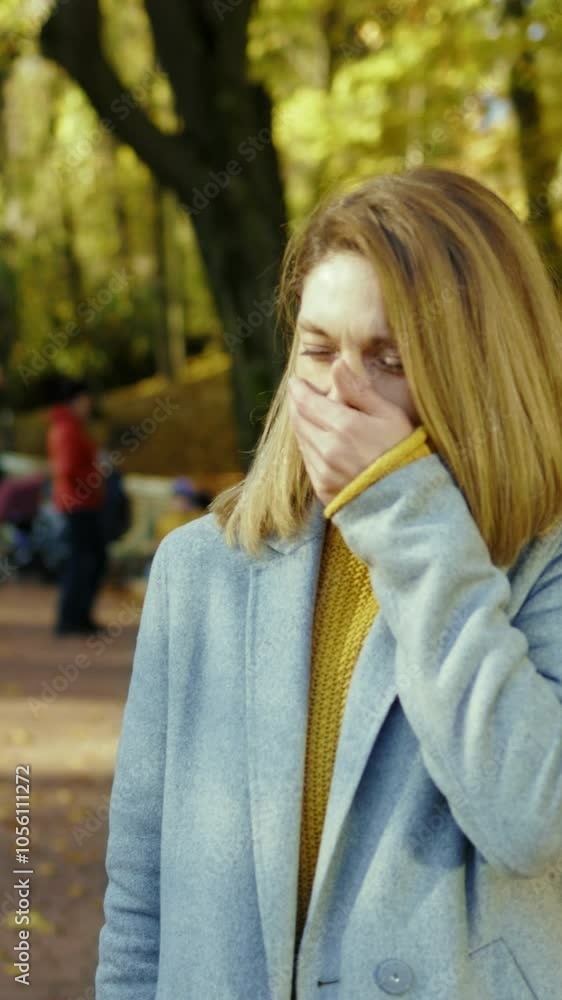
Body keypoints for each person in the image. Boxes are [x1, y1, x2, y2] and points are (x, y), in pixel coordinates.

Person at [94, 168, 562, 1000]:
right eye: (318, 351)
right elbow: (139, 898)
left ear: (480, 369)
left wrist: (404, 513)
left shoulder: (543, 563)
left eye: (388, 359)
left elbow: (530, 817)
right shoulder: (200, 569)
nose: (342, 392)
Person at [46, 376, 108, 635]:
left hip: (80, 501)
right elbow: (68, 468)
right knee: (83, 561)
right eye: (85, 400)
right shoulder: (68, 429)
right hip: (78, 504)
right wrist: (95, 477)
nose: (89, 405)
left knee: (88, 560)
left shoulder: (70, 426)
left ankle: (78, 616)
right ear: (75, 401)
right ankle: (72, 618)